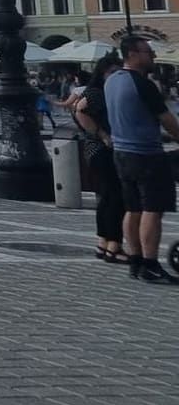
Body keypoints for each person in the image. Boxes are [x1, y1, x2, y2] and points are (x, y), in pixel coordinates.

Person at [103, 34, 179, 283]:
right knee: (152, 210)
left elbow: (130, 117)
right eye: (148, 52)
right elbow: (167, 119)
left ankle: (135, 262)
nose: (153, 56)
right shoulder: (143, 84)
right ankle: (150, 263)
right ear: (133, 54)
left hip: (122, 154)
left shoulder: (112, 81)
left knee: (133, 208)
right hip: (146, 155)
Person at [71, 57, 126, 265]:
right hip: (103, 150)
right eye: (112, 71)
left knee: (106, 197)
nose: (116, 76)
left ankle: (104, 243)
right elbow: (80, 109)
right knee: (116, 197)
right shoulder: (98, 92)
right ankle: (114, 246)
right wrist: (101, 134)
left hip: (96, 151)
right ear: (102, 73)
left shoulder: (103, 91)